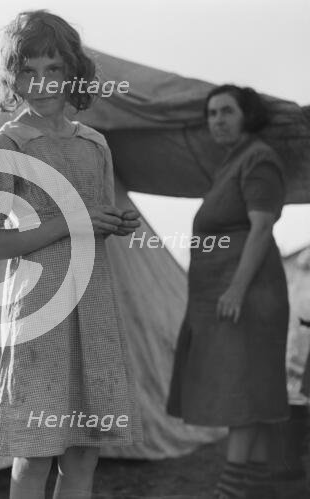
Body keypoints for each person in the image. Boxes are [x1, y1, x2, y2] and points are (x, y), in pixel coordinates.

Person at [0, 10, 143, 499]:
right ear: (12, 78)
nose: (41, 83)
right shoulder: (6, 145)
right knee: (36, 450)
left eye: (53, 69)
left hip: (94, 310)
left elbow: (96, 216)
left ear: (72, 73)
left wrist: (117, 223)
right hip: (41, 311)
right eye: (28, 71)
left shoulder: (94, 144)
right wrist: (70, 222)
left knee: (83, 451)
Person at [167, 84, 290, 499]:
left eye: (226, 112)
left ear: (247, 116)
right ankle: (253, 487)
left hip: (249, 294)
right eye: (212, 113)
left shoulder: (259, 159)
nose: (217, 120)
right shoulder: (231, 163)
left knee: (245, 390)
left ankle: (231, 489)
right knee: (242, 386)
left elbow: (261, 227)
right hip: (222, 293)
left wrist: (237, 289)